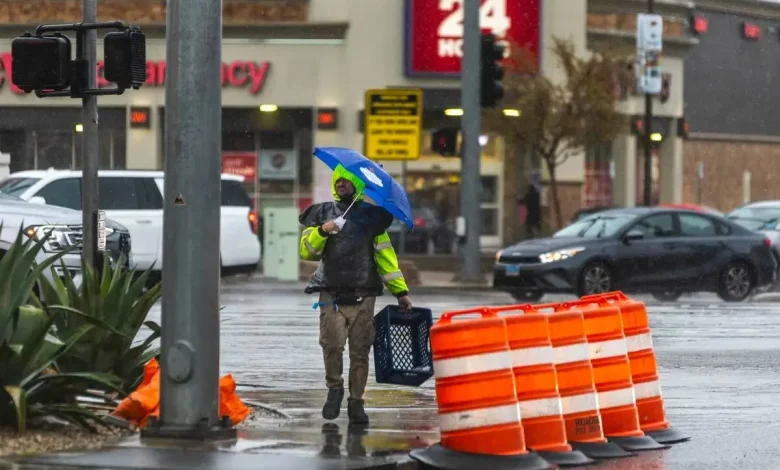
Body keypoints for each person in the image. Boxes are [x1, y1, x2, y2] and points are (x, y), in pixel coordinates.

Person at [299, 166, 413, 425]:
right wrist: (323, 231)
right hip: (331, 294)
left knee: (360, 352)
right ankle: (334, 389)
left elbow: (386, 258)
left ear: (357, 186)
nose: (341, 184)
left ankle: (356, 402)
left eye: (346, 181)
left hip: (364, 296)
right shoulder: (323, 214)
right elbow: (306, 251)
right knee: (331, 346)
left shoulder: (372, 220)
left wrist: (401, 292)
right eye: (337, 180)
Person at [518, 171, 542, 239]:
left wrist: (519, 200)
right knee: (535, 228)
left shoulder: (532, 191)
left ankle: (531, 239)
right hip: (537, 214)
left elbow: (525, 200)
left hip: (531, 214)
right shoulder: (539, 190)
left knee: (529, 229)